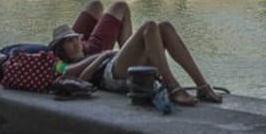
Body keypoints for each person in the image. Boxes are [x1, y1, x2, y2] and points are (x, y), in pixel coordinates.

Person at [0, 0, 133, 84]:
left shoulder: (2, 54)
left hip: (64, 45)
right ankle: (130, 64)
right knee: (120, 7)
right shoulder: (16, 64)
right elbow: (64, 70)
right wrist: (101, 56)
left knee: (95, 5)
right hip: (79, 55)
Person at [55, 21, 225, 106]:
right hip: (110, 74)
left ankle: (202, 86)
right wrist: (102, 56)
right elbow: (82, 80)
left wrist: (103, 55)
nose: (75, 43)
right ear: (61, 49)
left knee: (164, 27)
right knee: (149, 26)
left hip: (117, 64)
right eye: (69, 41)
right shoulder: (63, 64)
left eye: (75, 38)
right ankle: (173, 87)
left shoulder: (88, 52)